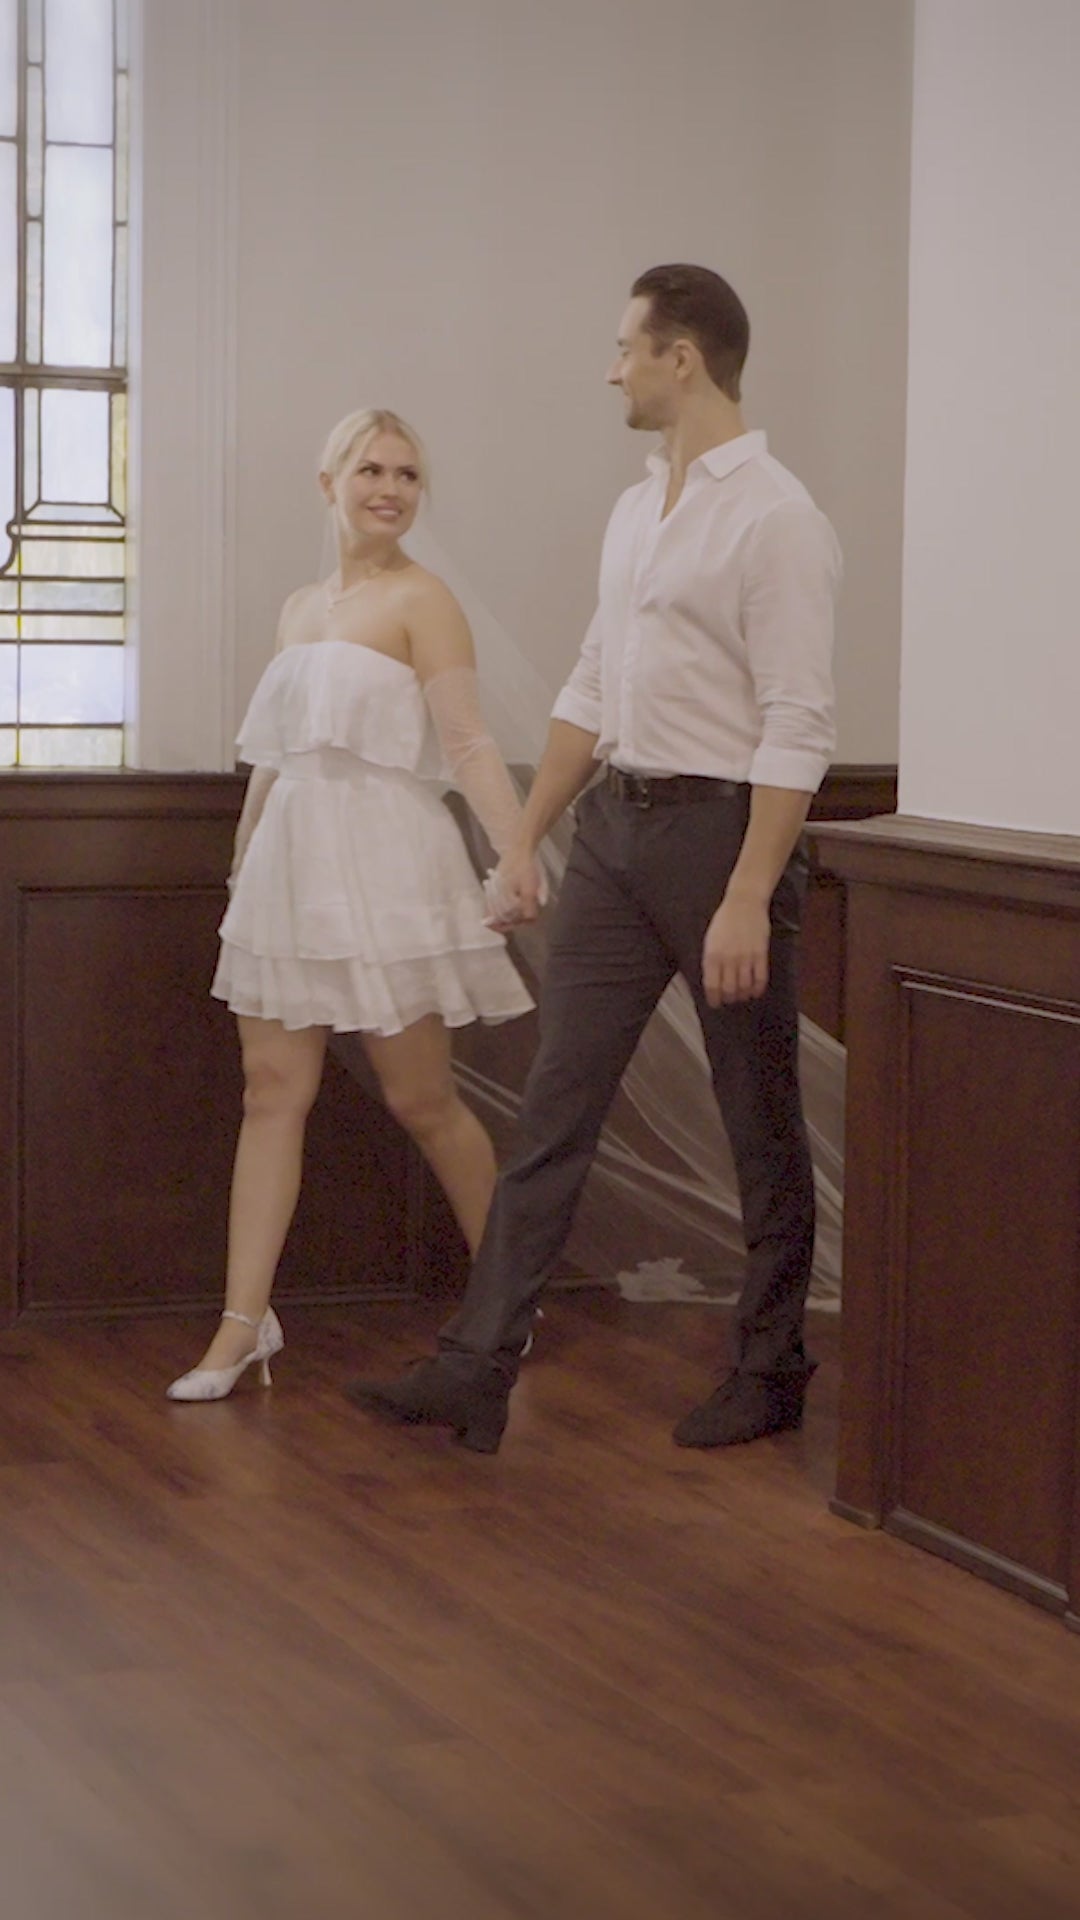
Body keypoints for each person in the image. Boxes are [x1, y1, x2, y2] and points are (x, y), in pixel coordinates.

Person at [346, 265, 840, 1455]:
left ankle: (771, 1366)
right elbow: (588, 686)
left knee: (757, 1118)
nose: (611, 367)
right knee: (561, 1104)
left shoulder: (778, 518)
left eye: (626, 346)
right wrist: (523, 839)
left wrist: (745, 894)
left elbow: (800, 723)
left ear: (684, 358)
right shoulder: (635, 511)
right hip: (615, 837)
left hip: (726, 841)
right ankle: (478, 1367)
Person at [166, 408, 533, 1402]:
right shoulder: (299, 609)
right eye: (371, 468)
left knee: (424, 1098)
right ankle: (242, 1327)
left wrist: (518, 849)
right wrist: (248, 862)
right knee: (271, 1092)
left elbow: (465, 743)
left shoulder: (426, 599)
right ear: (326, 481)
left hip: (389, 862)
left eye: (409, 474)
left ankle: (509, 1304)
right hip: (292, 867)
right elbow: (276, 756)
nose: (391, 487)